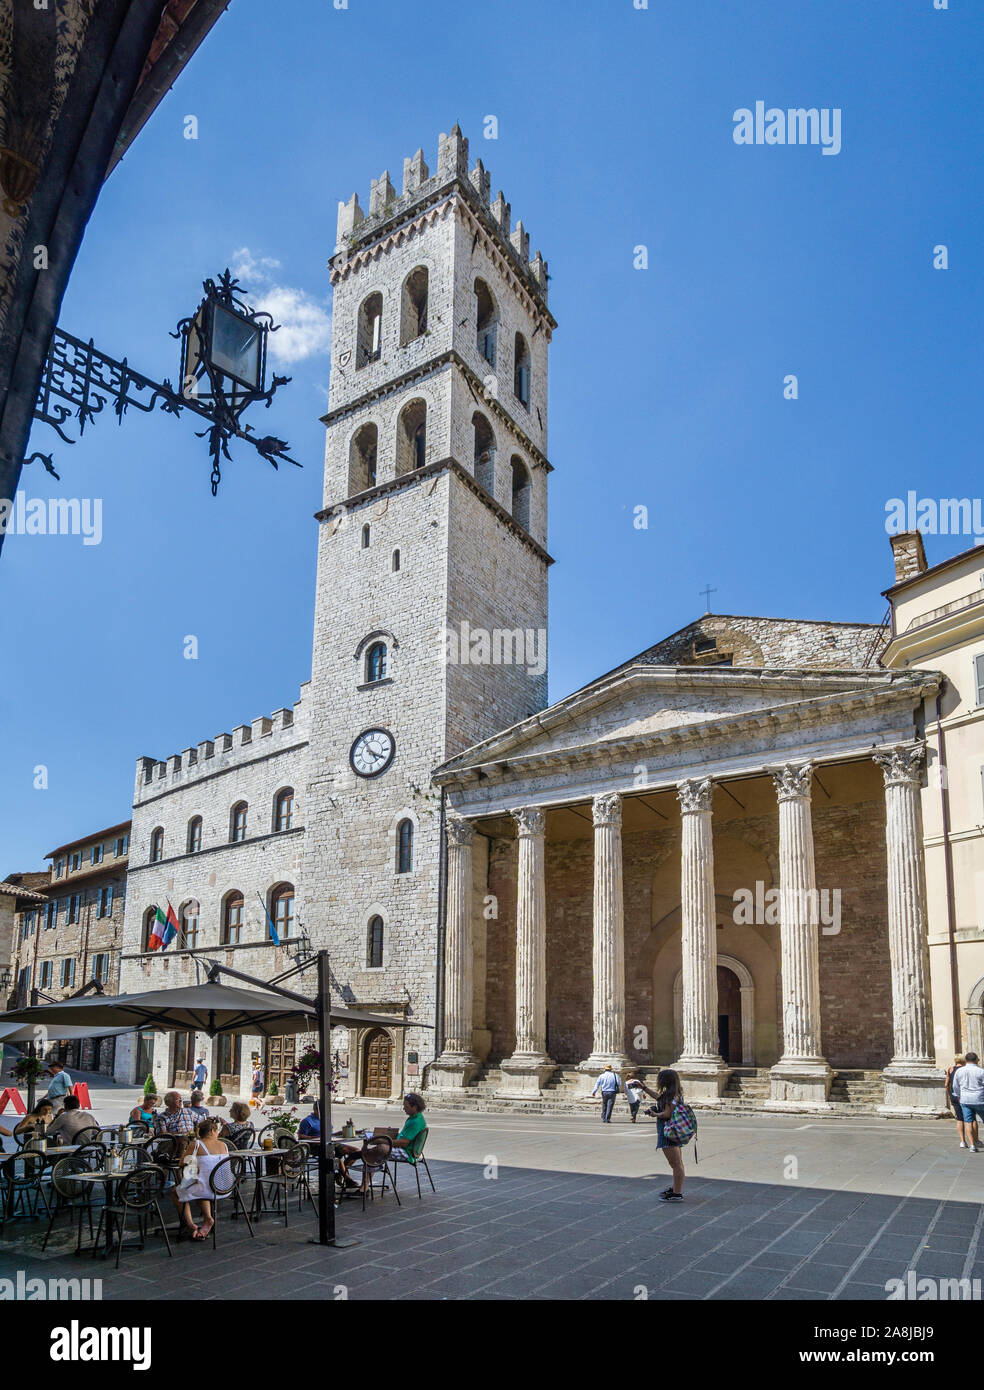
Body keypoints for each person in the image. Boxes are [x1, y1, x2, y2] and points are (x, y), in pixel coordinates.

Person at [633, 1068, 689, 1201]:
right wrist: (644, 1088)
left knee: (676, 1164)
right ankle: (676, 1188)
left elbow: (667, 1114)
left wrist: (654, 1114)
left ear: (665, 1081)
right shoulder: (673, 1094)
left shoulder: (670, 1096)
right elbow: (659, 1097)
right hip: (673, 1131)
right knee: (677, 1163)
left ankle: (677, 1194)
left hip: (668, 1132)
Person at [171, 1117, 229, 1241]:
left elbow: (182, 1163)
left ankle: (190, 1224)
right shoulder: (224, 1144)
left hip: (208, 1189)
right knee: (200, 1184)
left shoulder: (196, 1144)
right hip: (225, 1187)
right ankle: (208, 1218)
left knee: (176, 1192)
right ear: (213, 1131)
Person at [951, 1052, 984, 1153]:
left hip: (965, 1099)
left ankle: (972, 1145)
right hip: (979, 1099)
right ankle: (975, 1142)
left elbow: (955, 1086)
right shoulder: (981, 1071)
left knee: (968, 1122)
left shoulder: (960, 1071)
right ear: (976, 1060)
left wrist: (959, 1095)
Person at [945, 1056, 968, 1148]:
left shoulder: (950, 1069)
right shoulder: (965, 1070)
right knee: (971, 1119)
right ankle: (975, 1140)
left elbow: (946, 1084)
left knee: (959, 1118)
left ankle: (962, 1141)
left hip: (954, 1096)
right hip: (965, 1095)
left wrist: (949, 1094)